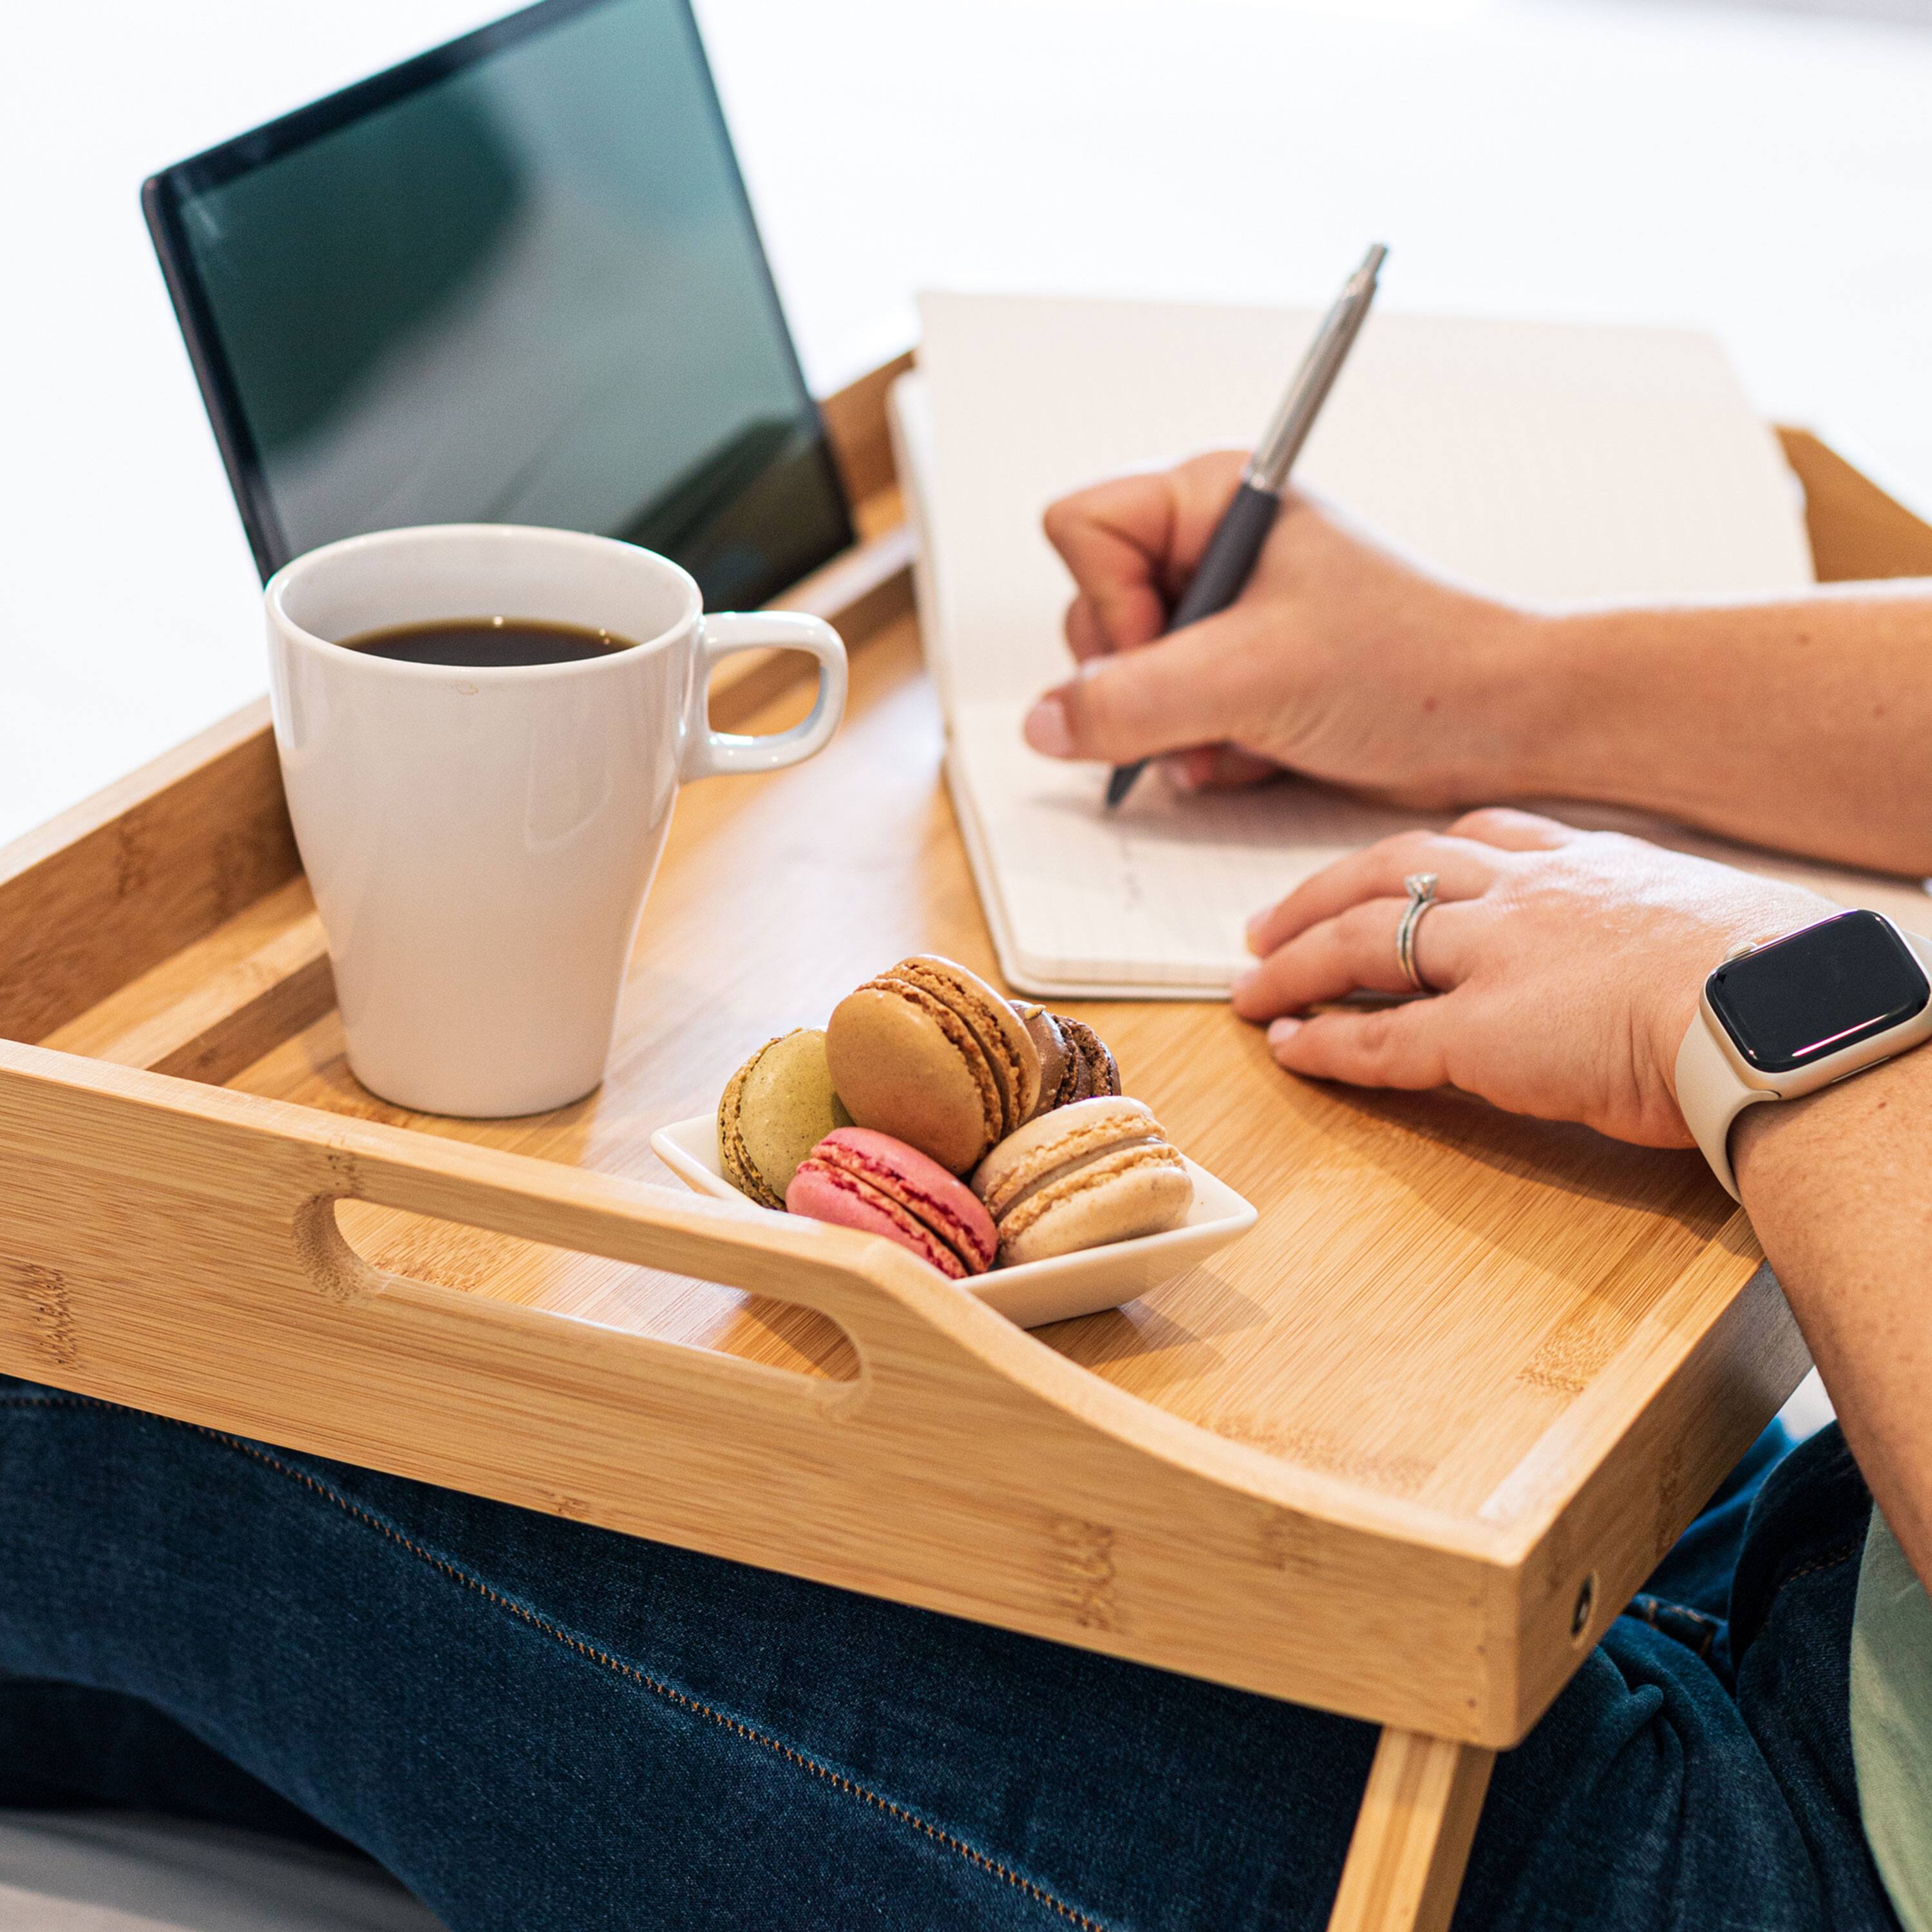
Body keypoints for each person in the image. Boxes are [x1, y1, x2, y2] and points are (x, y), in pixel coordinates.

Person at [4, 455, 1929, 1931]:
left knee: (128, 1401)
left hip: (1769, 1848)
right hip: (1842, 1569)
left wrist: (1773, 1006)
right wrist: (1492, 685)